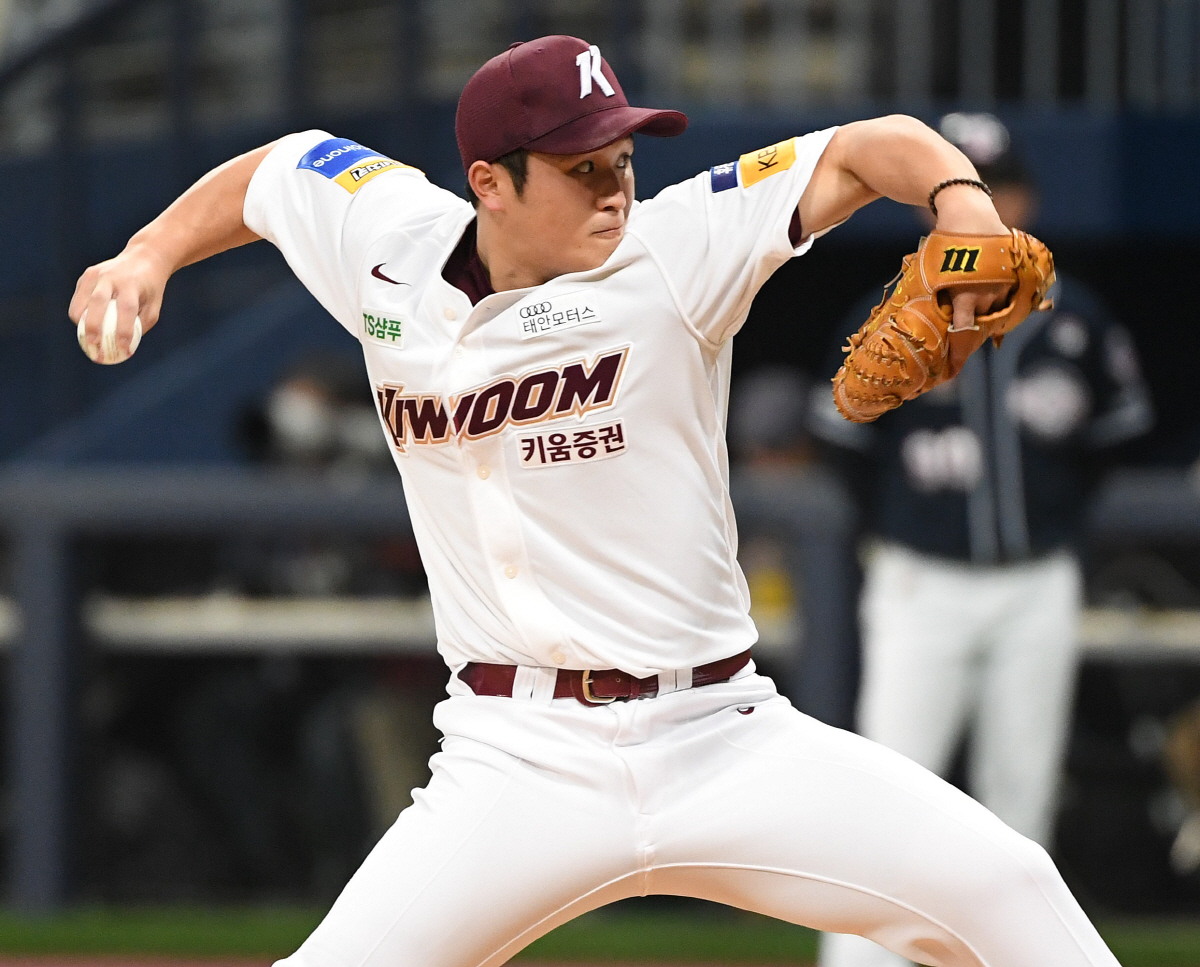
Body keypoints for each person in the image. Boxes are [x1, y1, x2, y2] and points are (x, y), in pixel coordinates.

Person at [71, 37, 1121, 967]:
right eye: (582, 169)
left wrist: (961, 202)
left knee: (1008, 885)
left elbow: (863, 148)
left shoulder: (677, 250)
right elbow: (278, 170)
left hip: (719, 734)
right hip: (515, 756)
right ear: (490, 182)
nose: (615, 188)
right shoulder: (389, 249)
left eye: (622, 158)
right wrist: (149, 252)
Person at [809, 113, 1153, 967]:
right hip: (920, 582)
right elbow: (841, 448)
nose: (992, 206)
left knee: (1020, 808)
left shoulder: (1077, 321)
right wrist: (904, 528)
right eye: (974, 190)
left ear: (1026, 201)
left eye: (1004, 188)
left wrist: (1053, 520)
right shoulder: (891, 315)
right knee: (889, 794)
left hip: (1037, 581)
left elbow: (1113, 442)